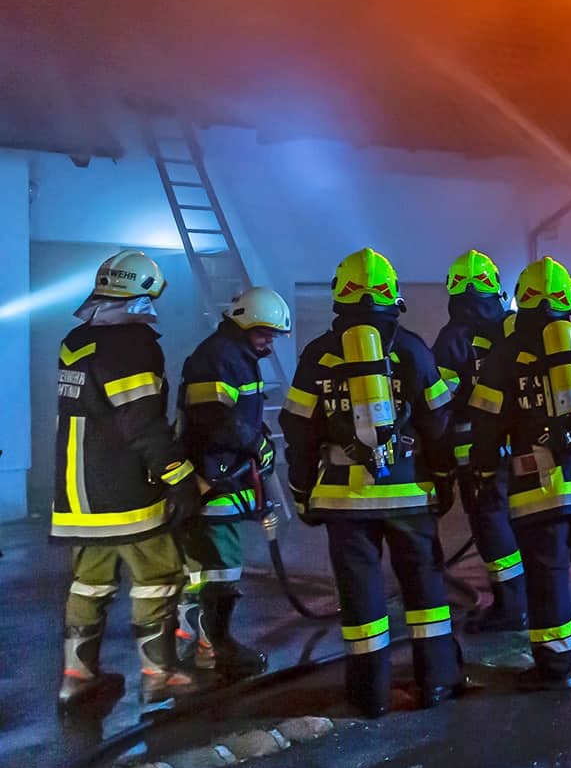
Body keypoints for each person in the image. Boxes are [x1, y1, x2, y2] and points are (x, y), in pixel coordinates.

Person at [280, 248, 463, 717]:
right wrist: (442, 479)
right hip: (409, 495)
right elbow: (437, 423)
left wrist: (302, 492)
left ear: (339, 297)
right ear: (392, 297)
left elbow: (298, 431)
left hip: (345, 500)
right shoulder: (413, 350)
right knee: (425, 592)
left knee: (360, 596)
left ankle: (369, 695)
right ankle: (438, 681)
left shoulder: (318, 355)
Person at [468, 257, 571, 685]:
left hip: (539, 491)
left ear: (522, 300)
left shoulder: (504, 357)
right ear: (568, 301)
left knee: (548, 576)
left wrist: (484, 472)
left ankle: (557, 667)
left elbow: (485, 423)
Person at [52, 251, 201, 710]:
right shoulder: (135, 346)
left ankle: (76, 677)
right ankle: (159, 676)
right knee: (157, 578)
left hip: (77, 496)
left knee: (89, 584)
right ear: (143, 294)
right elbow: (142, 426)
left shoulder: (74, 341)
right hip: (125, 492)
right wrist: (180, 478)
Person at [175, 286, 290, 679]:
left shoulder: (237, 356)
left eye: (273, 336)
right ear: (242, 324)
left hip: (225, 472)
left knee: (213, 565)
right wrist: (255, 441)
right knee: (218, 564)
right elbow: (211, 419)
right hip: (210, 475)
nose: (269, 343)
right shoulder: (219, 358)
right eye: (264, 334)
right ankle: (213, 644)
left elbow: (241, 414)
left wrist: (261, 440)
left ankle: (205, 640)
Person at [433, 250, 526, 632]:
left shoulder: (452, 339)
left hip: (475, 454)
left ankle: (510, 607)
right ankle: (535, 597)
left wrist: (438, 464)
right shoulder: (518, 328)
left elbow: (438, 407)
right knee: (525, 523)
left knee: (491, 526)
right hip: (527, 449)